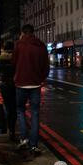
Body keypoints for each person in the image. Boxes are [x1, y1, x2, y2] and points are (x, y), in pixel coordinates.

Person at [13, 24, 49, 156]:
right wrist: (41, 79)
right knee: (35, 114)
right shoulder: (41, 45)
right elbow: (46, 66)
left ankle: (24, 139)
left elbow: (14, 63)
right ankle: (34, 145)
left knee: (20, 111)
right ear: (33, 33)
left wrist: (16, 77)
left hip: (21, 83)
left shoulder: (18, 45)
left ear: (23, 33)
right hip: (35, 84)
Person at [0, 41, 17, 142]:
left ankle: (7, 128)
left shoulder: (0, 58)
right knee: (15, 107)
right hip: (15, 84)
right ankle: (12, 129)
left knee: (6, 106)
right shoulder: (17, 57)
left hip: (4, 84)